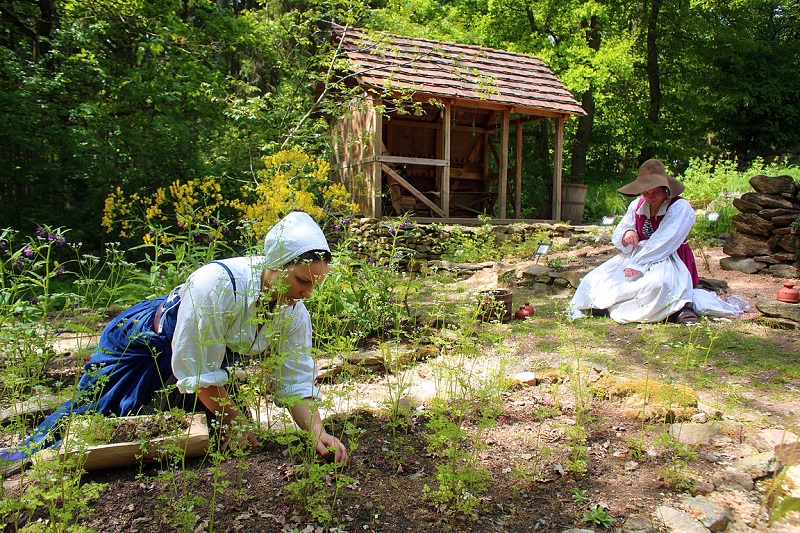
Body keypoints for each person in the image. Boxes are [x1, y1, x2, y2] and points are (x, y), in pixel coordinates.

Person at [1, 211, 347, 465]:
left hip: (203, 361)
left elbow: (295, 379)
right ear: (276, 265)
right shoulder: (218, 284)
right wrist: (234, 420)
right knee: (99, 418)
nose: (308, 293)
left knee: (216, 442)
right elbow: (197, 364)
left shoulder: (293, 312)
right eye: (303, 280)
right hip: (146, 342)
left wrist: (317, 433)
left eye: (316, 283)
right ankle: (22, 456)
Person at [567, 159, 703, 324]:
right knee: (595, 278)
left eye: (656, 192)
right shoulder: (637, 205)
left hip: (670, 258)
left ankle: (681, 308)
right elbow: (620, 231)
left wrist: (638, 263)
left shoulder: (679, 207)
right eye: (646, 193)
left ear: (666, 189)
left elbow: (665, 241)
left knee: (657, 284)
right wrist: (627, 232)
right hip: (638, 256)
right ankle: (609, 306)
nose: (650, 197)